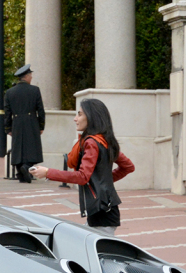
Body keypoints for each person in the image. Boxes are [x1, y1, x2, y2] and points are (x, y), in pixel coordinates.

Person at [30, 99, 133, 236]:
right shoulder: (104, 140)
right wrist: (101, 182)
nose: (75, 119)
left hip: (101, 210)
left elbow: (83, 177)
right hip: (104, 208)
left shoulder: (91, 143)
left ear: (91, 117)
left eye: (79, 114)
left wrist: (48, 172)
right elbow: (128, 167)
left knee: (100, 252)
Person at [3, 63, 44, 183]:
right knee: (31, 146)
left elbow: (7, 112)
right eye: (30, 75)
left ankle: (20, 172)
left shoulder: (10, 92)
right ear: (26, 76)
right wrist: (41, 126)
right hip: (31, 121)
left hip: (16, 122)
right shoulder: (35, 90)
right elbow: (40, 110)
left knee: (18, 146)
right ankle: (27, 167)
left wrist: (8, 128)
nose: (31, 77)